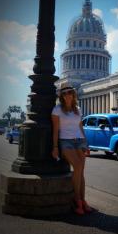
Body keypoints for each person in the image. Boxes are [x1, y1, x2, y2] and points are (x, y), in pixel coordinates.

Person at [51, 82, 92, 215]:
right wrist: (55, 147)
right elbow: (56, 130)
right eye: (64, 93)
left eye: (69, 92)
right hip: (66, 141)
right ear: (61, 96)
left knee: (81, 171)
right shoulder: (57, 110)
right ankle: (77, 200)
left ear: (73, 94)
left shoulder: (78, 109)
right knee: (78, 166)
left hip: (79, 141)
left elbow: (80, 127)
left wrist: (86, 142)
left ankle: (83, 200)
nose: (67, 95)